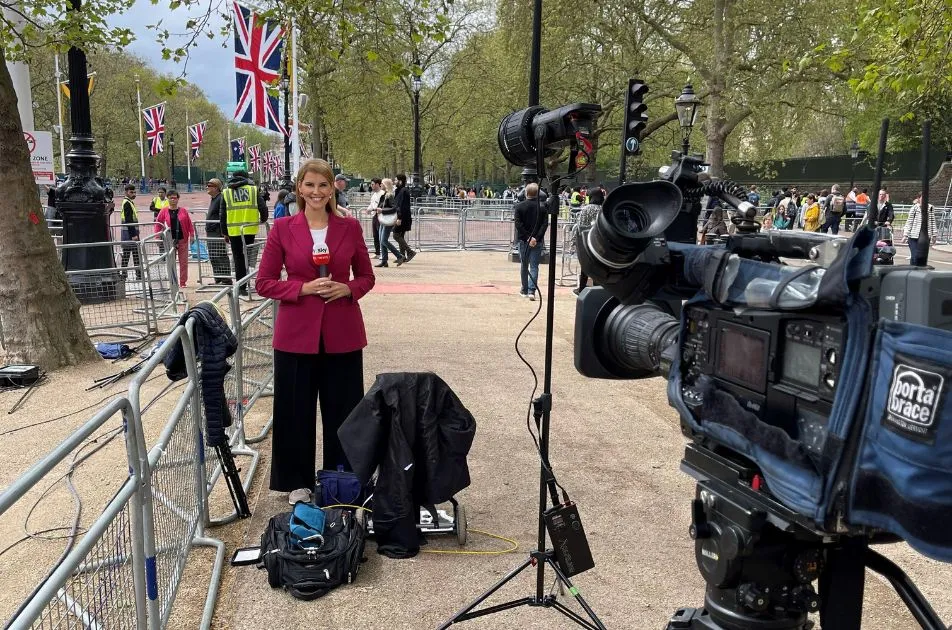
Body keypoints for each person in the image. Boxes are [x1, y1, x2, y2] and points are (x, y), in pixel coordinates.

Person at [255, 158, 375, 505]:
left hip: (343, 334)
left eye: (323, 185)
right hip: (296, 336)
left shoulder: (349, 228)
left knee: (345, 411)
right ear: (299, 189)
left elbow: (367, 276)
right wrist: (302, 289)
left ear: (332, 188)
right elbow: (264, 282)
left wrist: (348, 289)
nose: (316, 192)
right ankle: (297, 482)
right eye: (309, 185)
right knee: (295, 411)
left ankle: (342, 478)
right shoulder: (282, 229)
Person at [220, 170, 268, 295]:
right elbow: (262, 207)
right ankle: (248, 283)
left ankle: (241, 287)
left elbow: (222, 214)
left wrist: (224, 232)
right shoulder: (252, 190)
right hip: (249, 229)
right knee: (248, 256)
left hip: (233, 230)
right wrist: (263, 219)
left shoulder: (226, 192)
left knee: (238, 259)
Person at [154, 189, 195, 288]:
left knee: (183, 262)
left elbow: (189, 224)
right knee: (171, 262)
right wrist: (157, 236)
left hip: (183, 239)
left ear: (178, 199)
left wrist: (192, 234)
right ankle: (173, 281)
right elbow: (158, 224)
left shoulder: (183, 211)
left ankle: (182, 282)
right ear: (168, 198)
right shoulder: (164, 211)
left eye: (175, 198)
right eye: (171, 198)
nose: (173, 200)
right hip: (170, 240)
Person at [513, 182, 547, 301]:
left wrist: (528, 237)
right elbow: (544, 225)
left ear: (526, 193)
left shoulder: (519, 206)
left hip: (523, 240)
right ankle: (532, 290)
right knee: (534, 266)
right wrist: (536, 238)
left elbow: (518, 224)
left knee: (524, 266)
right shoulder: (542, 207)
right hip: (537, 241)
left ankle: (525, 289)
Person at [574, 188, 604, 294]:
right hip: (601, 243)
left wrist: (575, 242)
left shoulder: (586, 209)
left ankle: (582, 288)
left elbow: (580, 226)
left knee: (585, 266)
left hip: (587, 241)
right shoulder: (604, 209)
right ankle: (597, 289)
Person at [204, 179, 232, 284]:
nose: (207, 187)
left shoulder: (220, 198)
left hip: (217, 231)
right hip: (211, 231)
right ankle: (218, 278)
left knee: (219, 254)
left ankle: (225, 278)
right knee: (213, 255)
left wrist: (223, 231)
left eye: (209, 185)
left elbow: (223, 215)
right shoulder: (214, 199)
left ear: (216, 187)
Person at [904, 192, 938, 266]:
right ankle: (912, 270)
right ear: (919, 198)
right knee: (915, 255)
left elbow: (932, 222)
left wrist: (934, 235)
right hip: (913, 236)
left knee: (922, 257)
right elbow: (909, 222)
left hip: (925, 237)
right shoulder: (914, 208)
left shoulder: (931, 208)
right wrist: (905, 235)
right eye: (923, 198)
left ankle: (919, 271)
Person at [376, 178, 402, 267]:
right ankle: (384, 261)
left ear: (386, 185)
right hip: (383, 219)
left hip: (388, 220)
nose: (380, 185)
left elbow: (394, 208)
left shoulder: (389, 195)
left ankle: (399, 256)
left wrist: (382, 210)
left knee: (383, 240)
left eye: (382, 184)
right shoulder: (384, 195)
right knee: (381, 240)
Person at [392, 173, 417, 263]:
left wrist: (399, 218)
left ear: (400, 181)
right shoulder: (399, 190)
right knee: (400, 236)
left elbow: (402, 206)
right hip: (402, 217)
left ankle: (410, 252)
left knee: (396, 235)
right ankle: (402, 256)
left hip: (403, 217)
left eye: (396, 180)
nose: (394, 182)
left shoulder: (404, 191)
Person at [119, 184, 142, 279]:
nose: (134, 194)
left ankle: (125, 274)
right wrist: (133, 234)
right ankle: (137, 274)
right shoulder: (127, 203)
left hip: (128, 233)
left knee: (128, 254)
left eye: (134, 192)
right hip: (130, 234)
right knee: (134, 254)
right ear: (126, 192)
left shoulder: (128, 202)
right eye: (131, 192)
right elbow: (129, 220)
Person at [365, 178, 384, 257]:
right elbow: (372, 204)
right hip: (374, 215)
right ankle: (378, 253)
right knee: (375, 235)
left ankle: (382, 253)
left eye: (372, 184)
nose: (371, 186)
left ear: (377, 184)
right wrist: (368, 209)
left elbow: (381, 205)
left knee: (380, 235)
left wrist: (372, 209)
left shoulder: (382, 193)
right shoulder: (374, 195)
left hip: (380, 216)